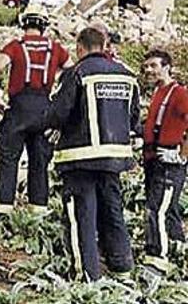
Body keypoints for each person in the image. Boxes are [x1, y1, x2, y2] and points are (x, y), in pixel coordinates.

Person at [45, 27, 139, 281]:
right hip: (115, 158)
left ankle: (86, 276)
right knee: (112, 212)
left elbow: (59, 113)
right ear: (104, 45)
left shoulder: (77, 73)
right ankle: (122, 268)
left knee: (82, 217)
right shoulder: (127, 75)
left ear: (80, 48)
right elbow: (133, 118)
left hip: (81, 158)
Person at [0, 5, 71, 215]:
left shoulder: (15, 46)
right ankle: (37, 211)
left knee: (9, 159)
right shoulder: (56, 49)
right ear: (44, 26)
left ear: (24, 24)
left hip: (18, 109)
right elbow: (72, 74)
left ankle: (2, 211)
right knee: (40, 162)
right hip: (44, 110)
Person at [140, 49, 188, 274]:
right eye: (146, 66)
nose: (148, 70)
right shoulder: (159, 93)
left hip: (169, 162)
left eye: (153, 66)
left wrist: (181, 155)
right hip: (154, 160)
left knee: (156, 209)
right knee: (169, 210)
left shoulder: (179, 93)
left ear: (166, 67)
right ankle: (179, 250)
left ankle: (157, 258)